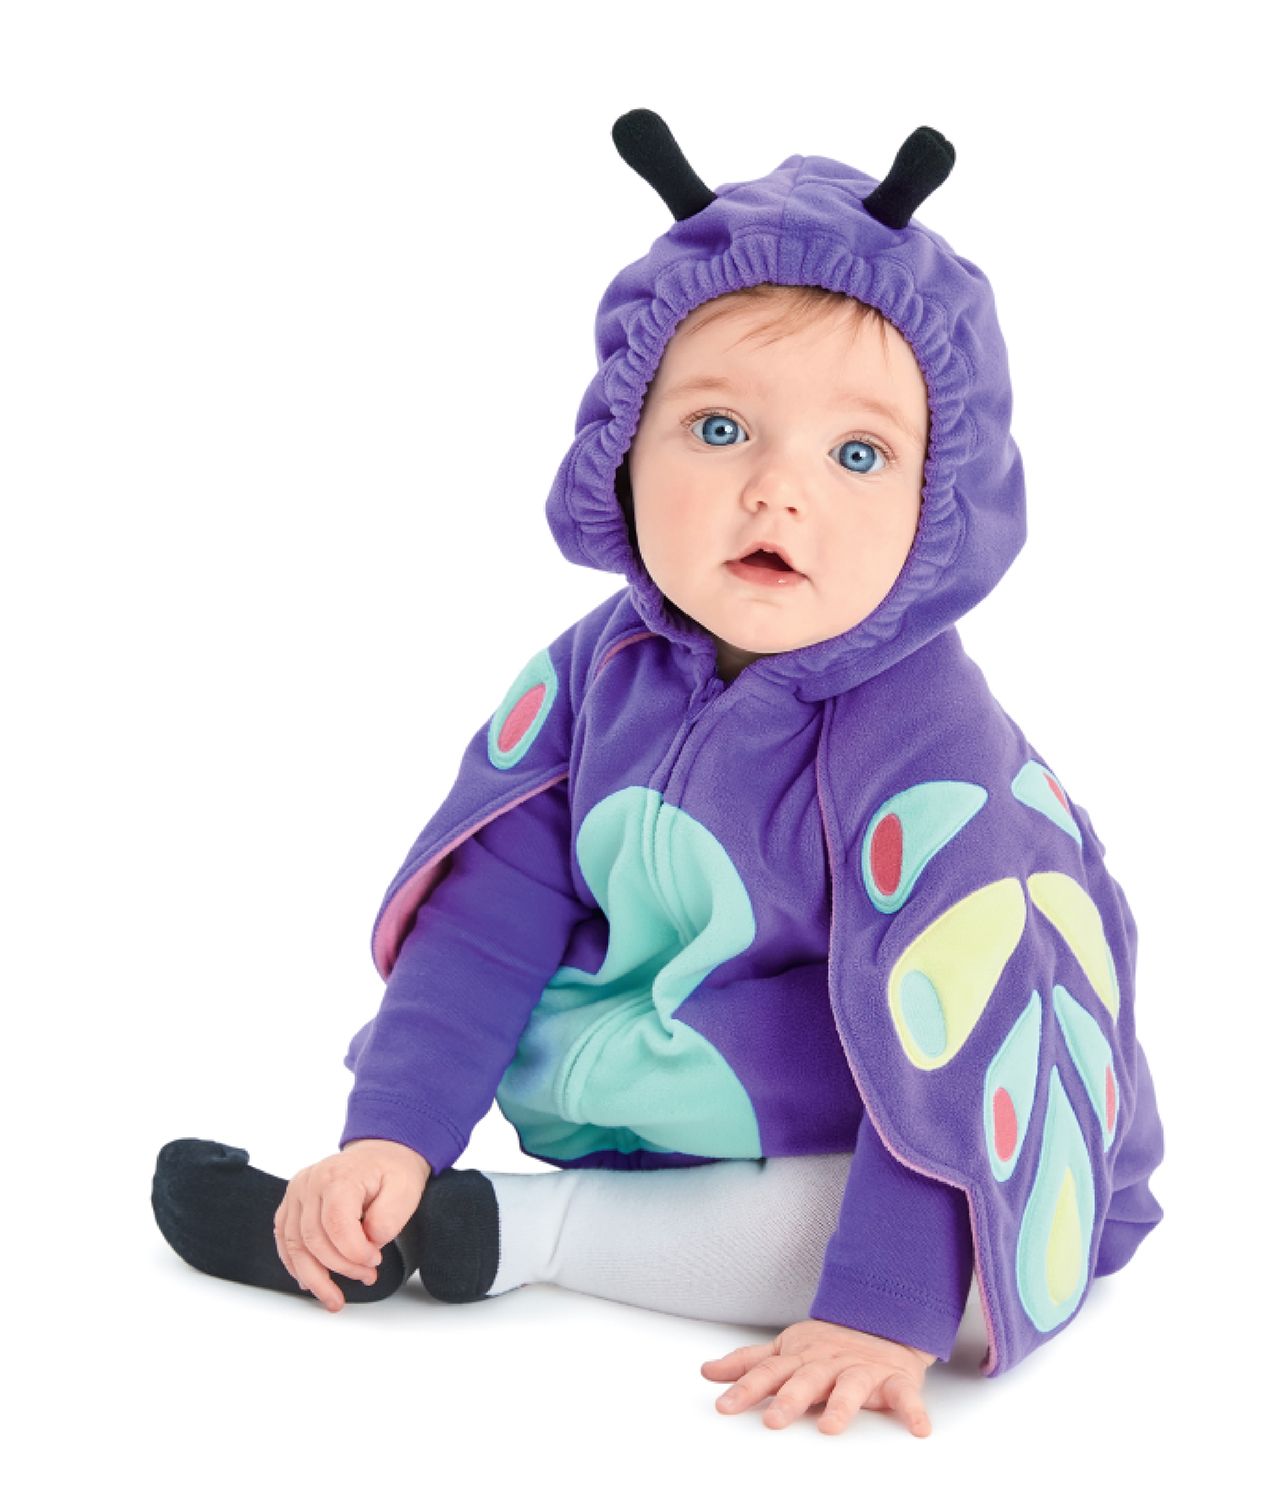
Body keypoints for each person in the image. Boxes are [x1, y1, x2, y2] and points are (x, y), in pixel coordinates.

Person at [153, 111, 1166, 1440]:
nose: (777, 492)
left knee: (956, 1251)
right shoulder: (598, 672)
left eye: (858, 455)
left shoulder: (938, 756)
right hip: (674, 1075)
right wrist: (392, 1132)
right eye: (719, 428)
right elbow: (486, 919)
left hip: (885, 1127)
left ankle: (519, 1233)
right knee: (480, 976)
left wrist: (884, 1313)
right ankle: (387, 1207)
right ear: (623, 446)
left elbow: (965, 1034)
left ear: (942, 502)